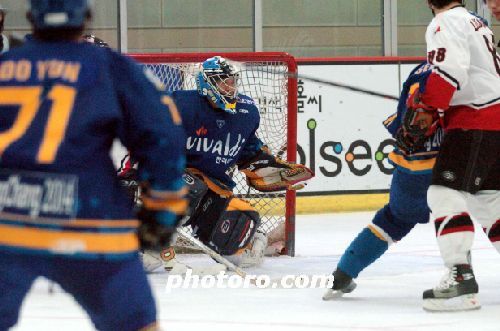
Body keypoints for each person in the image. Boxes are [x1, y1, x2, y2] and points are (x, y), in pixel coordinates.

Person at [0, 1, 186, 330]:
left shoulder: (5, 64)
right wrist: (162, 212)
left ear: (31, 17)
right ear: (85, 16)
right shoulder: (109, 67)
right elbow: (163, 138)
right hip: (90, 225)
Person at [120, 55, 314, 271]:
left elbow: (250, 154)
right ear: (207, 83)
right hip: (177, 178)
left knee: (237, 246)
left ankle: (260, 240)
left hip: (214, 192)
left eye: (232, 81)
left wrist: (272, 172)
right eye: (224, 81)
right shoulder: (181, 105)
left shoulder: (246, 113)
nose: (230, 87)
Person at [323, 61, 444, 300]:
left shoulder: (419, 70)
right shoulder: (473, 70)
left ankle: (342, 275)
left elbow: (401, 125)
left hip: (410, 170)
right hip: (450, 165)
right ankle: (462, 277)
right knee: (487, 209)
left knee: (393, 221)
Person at [412, 0, 500, 312]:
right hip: (493, 120)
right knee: (489, 201)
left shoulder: (445, 22)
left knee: (443, 193)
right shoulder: (475, 21)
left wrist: (429, 108)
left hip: (474, 121)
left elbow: (451, 70)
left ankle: (461, 280)